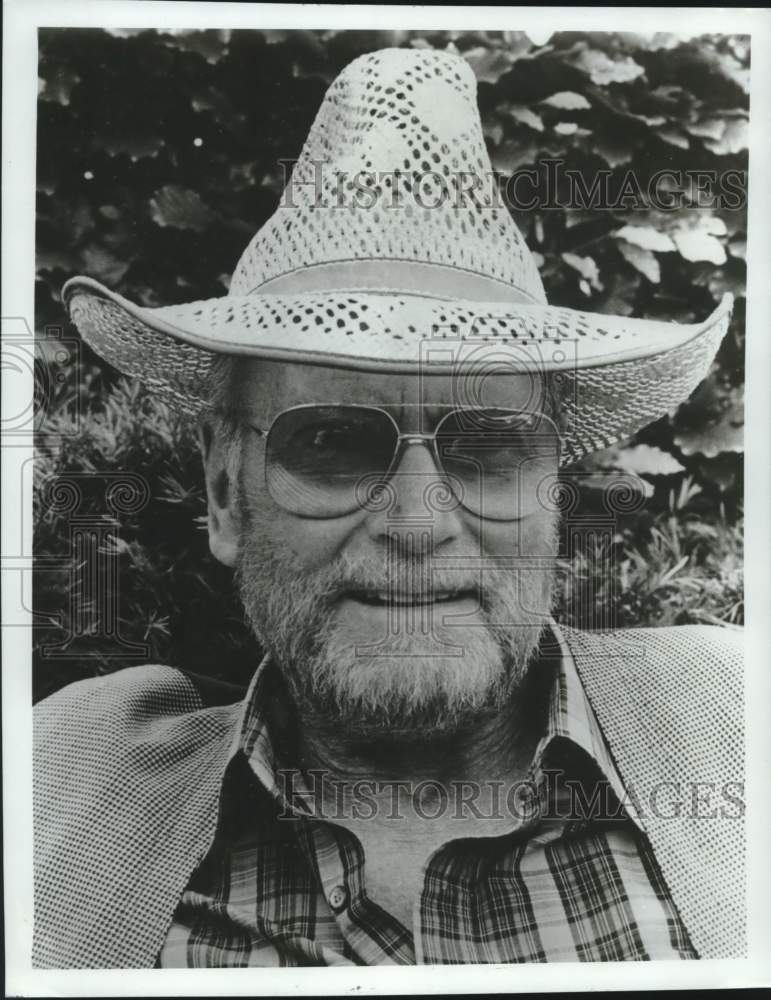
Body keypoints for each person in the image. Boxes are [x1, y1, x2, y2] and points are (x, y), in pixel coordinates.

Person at [34, 47, 743, 968]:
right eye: (329, 442)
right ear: (224, 493)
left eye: (487, 444)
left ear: (552, 492)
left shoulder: (735, 718)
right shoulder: (59, 796)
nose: (417, 525)